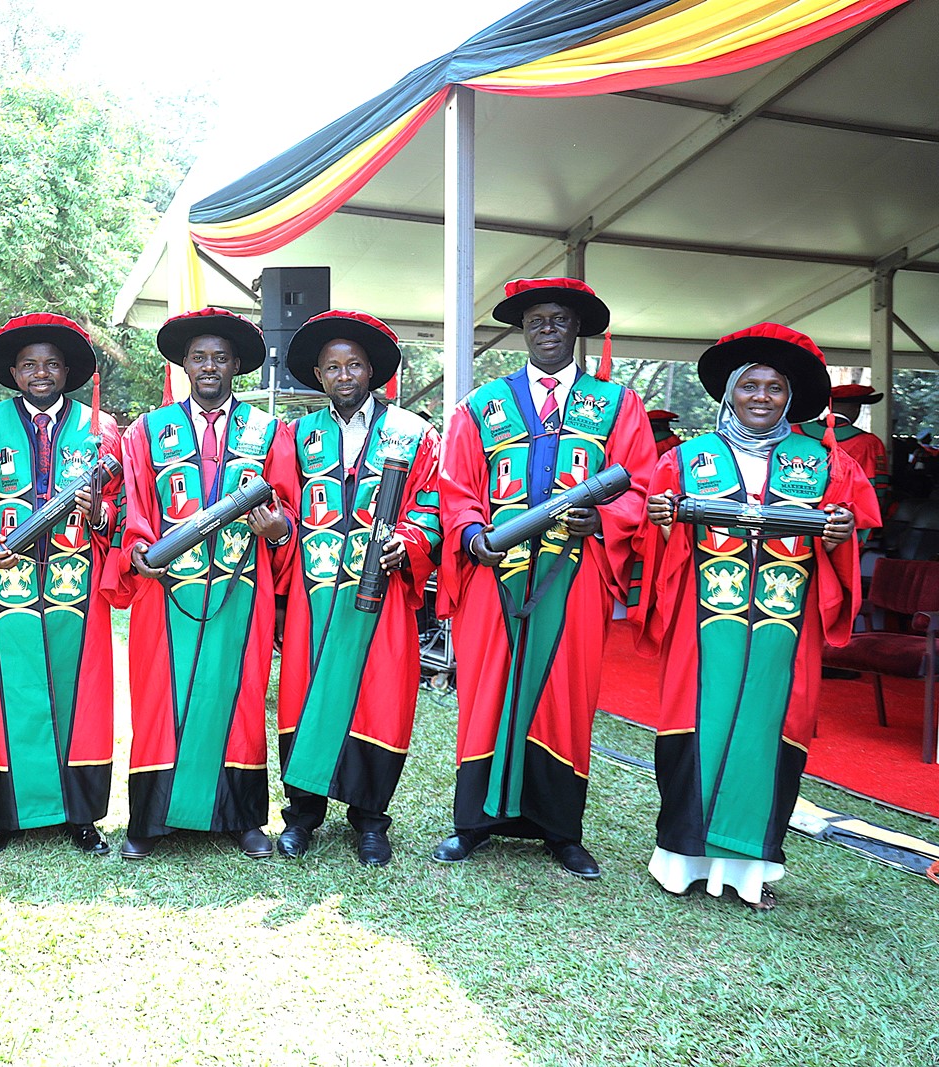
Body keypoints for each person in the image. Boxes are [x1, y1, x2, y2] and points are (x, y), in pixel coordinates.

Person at [639, 323, 877, 911]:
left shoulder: (822, 462)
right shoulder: (689, 459)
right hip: (704, 622)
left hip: (785, 629)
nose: (762, 396)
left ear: (789, 398)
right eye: (751, 385)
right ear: (730, 393)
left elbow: (847, 531)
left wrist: (840, 533)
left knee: (770, 729)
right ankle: (680, 860)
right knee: (698, 723)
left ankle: (749, 870)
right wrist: (664, 520)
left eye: (774, 387)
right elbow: (653, 537)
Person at [434, 278, 654, 878]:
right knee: (487, 689)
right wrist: (472, 532)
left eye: (559, 319)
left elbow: (637, 482)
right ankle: (474, 824)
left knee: (566, 691)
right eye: (537, 319)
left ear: (576, 327)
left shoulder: (617, 404)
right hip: (494, 574)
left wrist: (602, 518)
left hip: (575, 571)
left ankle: (561, 830)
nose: (548, 329)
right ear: (523, 329)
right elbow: (455, 486)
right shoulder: (482, 405)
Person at [107, 307, 297, 860]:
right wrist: (140, 546)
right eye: (199, 357)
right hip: (168, 591)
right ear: (184, 365)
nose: (209, 366)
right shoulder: (148, 429)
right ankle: (149, 820)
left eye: (220, 357)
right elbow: (134, 503)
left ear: (236, 364)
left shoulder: (270, 431)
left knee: (236, 695)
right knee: (159, 698)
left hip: (243, 587)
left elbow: (287, 502)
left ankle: (241, 819)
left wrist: (279, 527)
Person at [274, 311, 442, 866]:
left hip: (381, 591)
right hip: (315, 591)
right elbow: (283, 505)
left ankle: (370, 819)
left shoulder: (414, 432)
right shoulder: (297, 435)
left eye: (353, 365)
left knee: (379, 698)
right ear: (318, 376)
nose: (343, 374)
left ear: (372, 370)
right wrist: (279, 530)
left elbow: (432, 503)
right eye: (331, 367)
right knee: (307, 691)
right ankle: (301, 816)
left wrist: (413, 540)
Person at [0, 314, 122, 857]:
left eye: (52, 364)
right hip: (6, 583)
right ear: (13, 371)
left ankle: (81, 817)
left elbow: (119, 513)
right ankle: (5, 818)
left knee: (78, 696)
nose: (41, 373)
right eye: (29, 364)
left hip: (76, 583)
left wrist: (99, 514)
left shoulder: (101, 428)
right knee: (6, 695)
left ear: (69, 371)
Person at [795, 383, 890, 517]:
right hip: (845, 516)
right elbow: (877, 488)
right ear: (856, 408)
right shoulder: (869, 443)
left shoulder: (795, 432)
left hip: (797, 511)